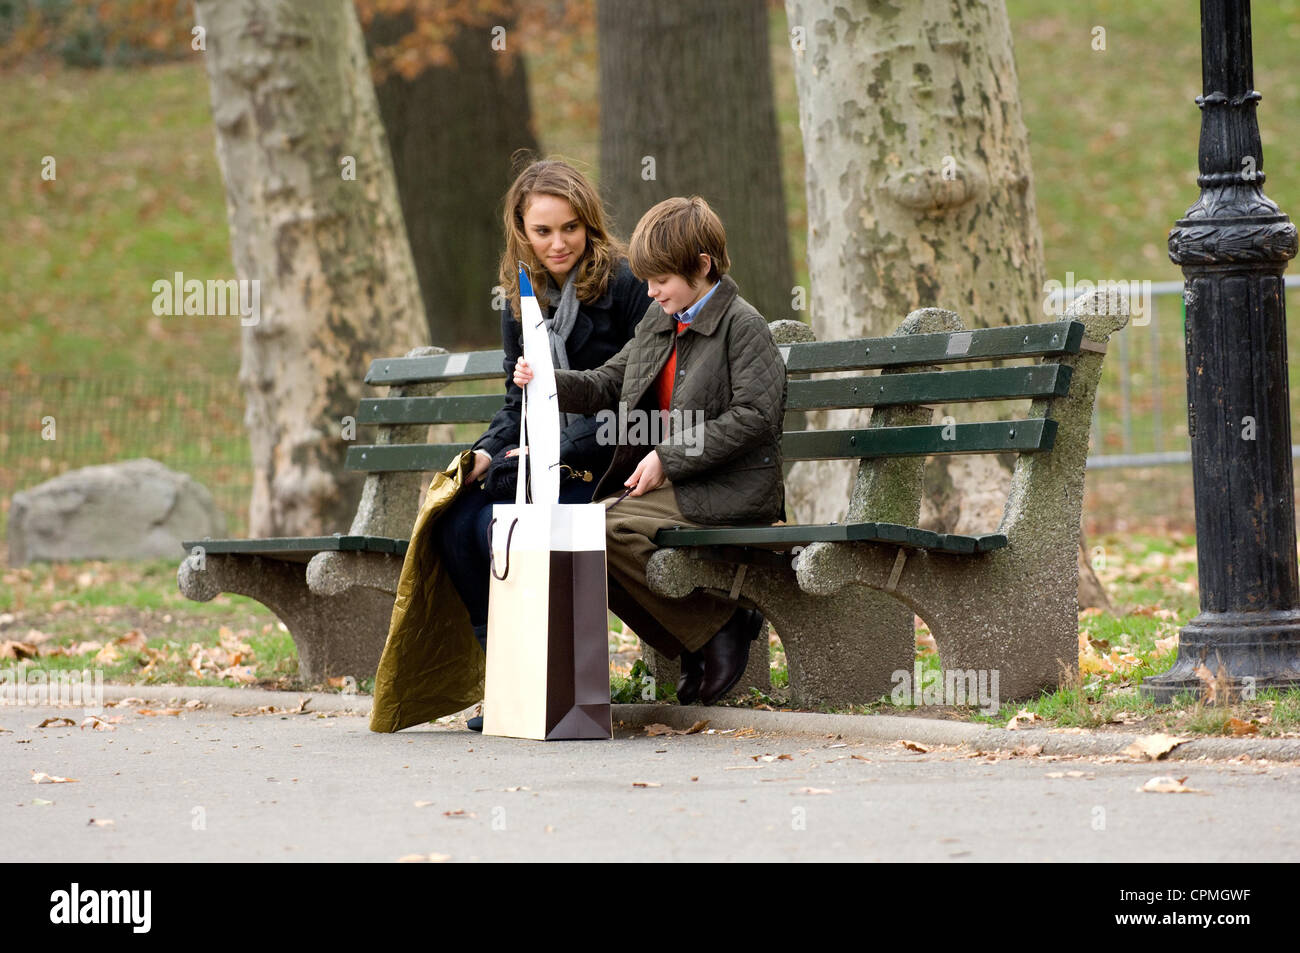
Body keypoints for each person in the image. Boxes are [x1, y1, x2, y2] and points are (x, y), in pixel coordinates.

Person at [514, 196, 787, 706]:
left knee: (607, 530)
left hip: (731, 487)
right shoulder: (662, 320)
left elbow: (755, 418)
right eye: (646, 280)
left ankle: (718, 628)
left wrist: (669, 456)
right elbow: (607, 382)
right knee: (580, 540)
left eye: (660, 279)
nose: (650, 291)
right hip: (684, 484)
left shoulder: (742, 326)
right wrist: (549, 381)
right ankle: (692, 641)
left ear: (702, 266)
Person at [433, 157, 649, 731]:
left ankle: (550, 684)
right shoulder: (519, 294)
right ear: (522, 231)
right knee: (461, 519)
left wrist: (547, 451)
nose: (559, 243)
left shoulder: (626, 283)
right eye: (544, 231)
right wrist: (484, 452)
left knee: (520, 523)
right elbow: (517, 402)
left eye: (571, 228)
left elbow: (637, 392)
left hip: (610, 452)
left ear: (590, 224)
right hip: (540, 455)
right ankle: (506, 676)